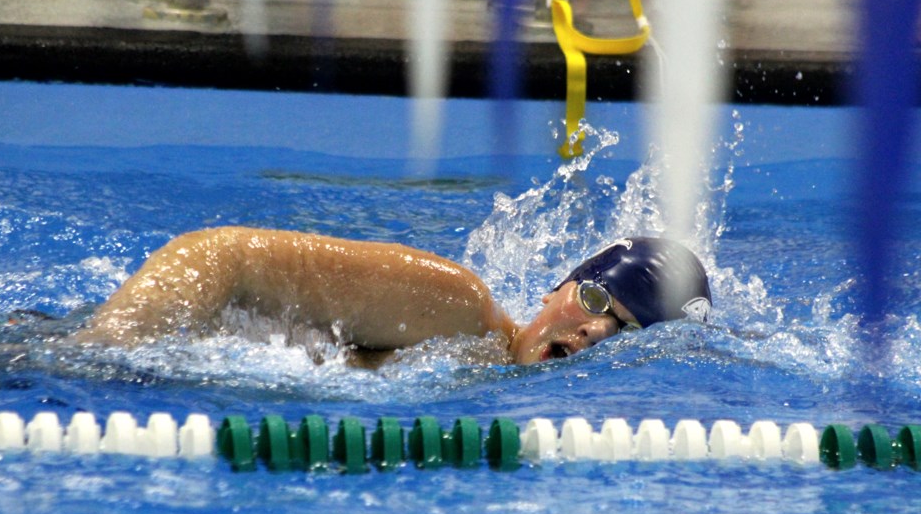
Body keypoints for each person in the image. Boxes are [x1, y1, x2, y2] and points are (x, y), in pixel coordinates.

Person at [73, 227, 712, 366]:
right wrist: (111, 345)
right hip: (113, 354)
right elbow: (222, 255)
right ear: (559, 289)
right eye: (599, 304)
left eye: (625, 333)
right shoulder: (455, 306)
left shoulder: (477, 376)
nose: (598, 333)